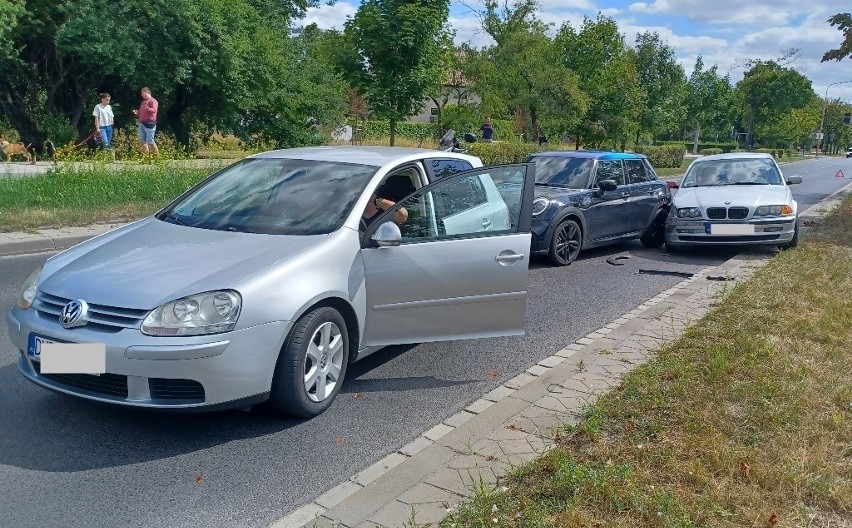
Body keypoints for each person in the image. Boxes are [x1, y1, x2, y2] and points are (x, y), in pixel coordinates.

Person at [132, 87, 159, 156]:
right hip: (141, 123)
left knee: (150, 141)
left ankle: (158, 157)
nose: (141, 95)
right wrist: (137, 113)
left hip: (149, 123)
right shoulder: (143, 102)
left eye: (142, 93)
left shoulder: (153, 101)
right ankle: (146, 158)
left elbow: (154, 110)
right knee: (142, 141)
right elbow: (141, 112)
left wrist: (148, 108)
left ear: (147, 92)